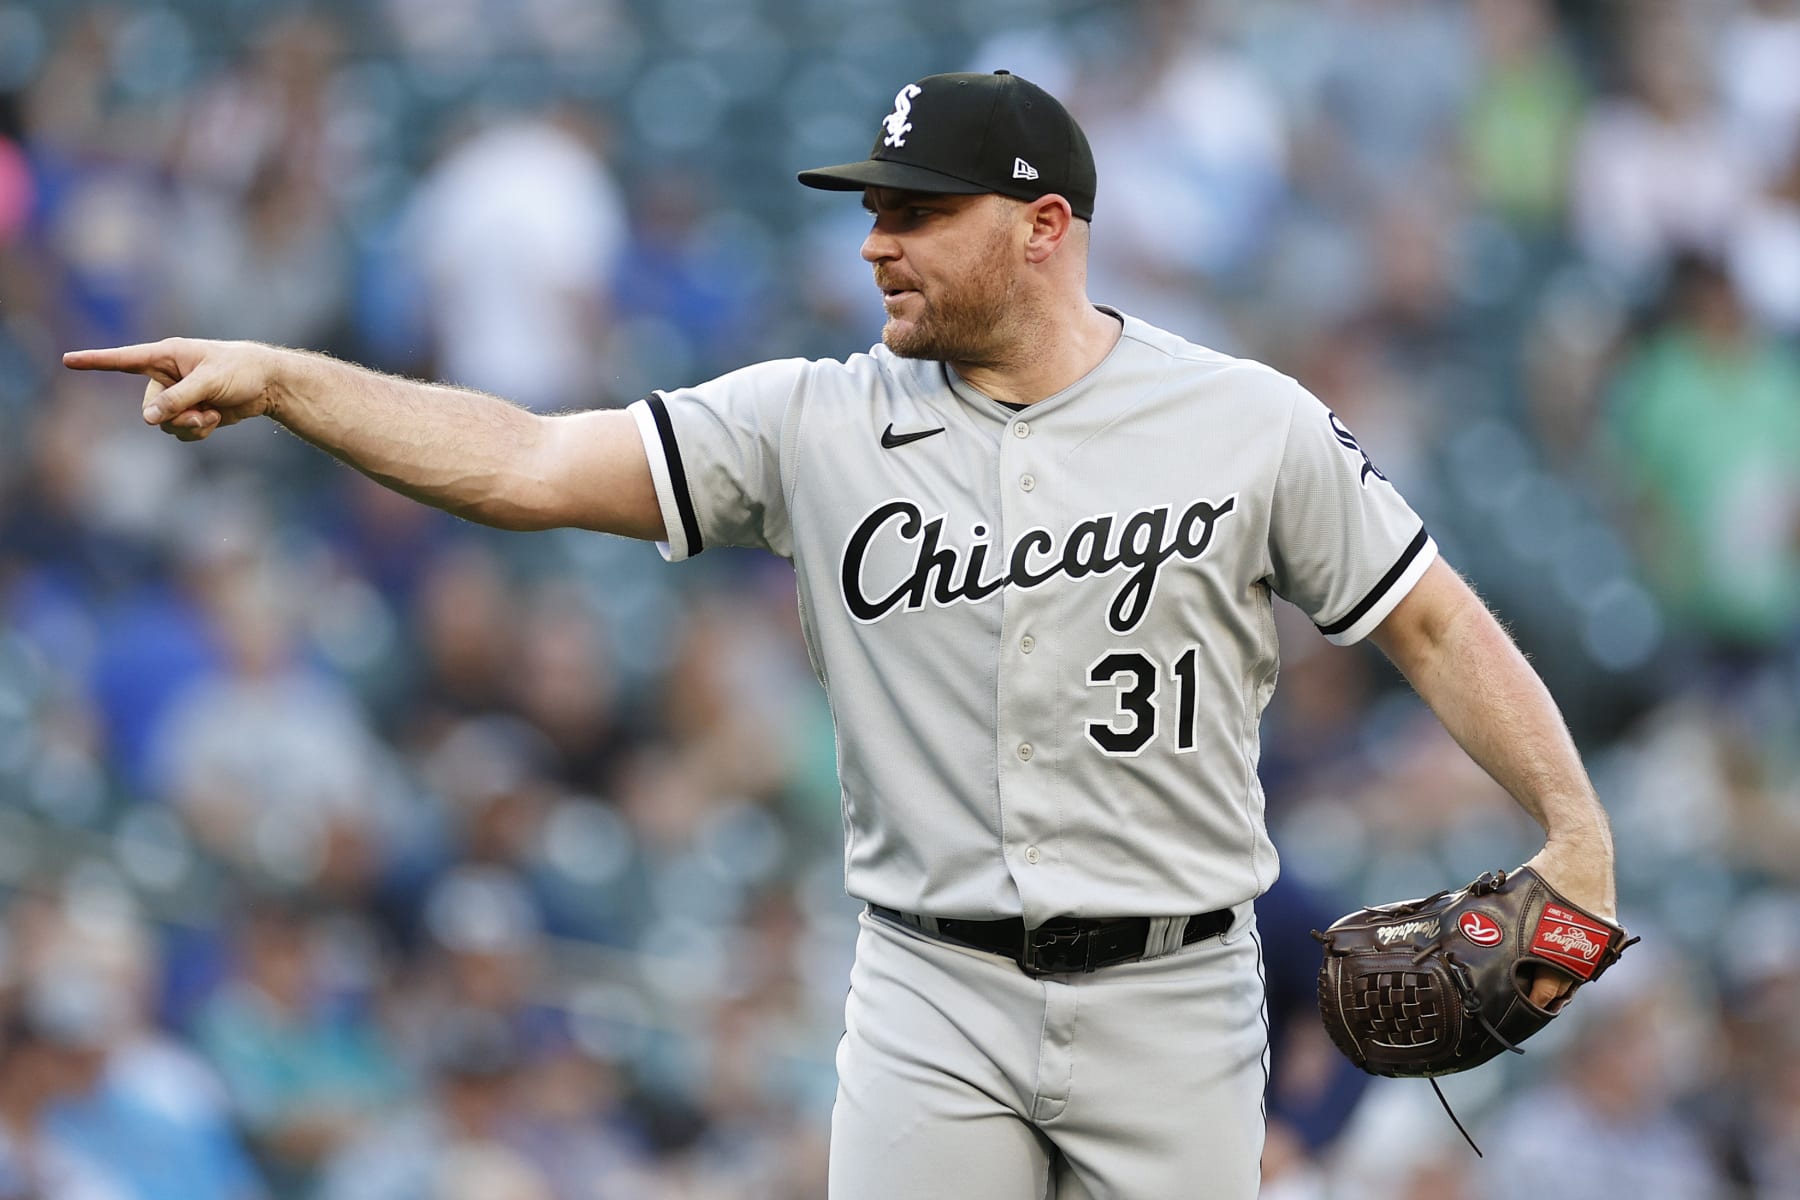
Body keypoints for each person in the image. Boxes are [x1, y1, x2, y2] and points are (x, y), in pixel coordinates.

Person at [66, 70, 1619, 1200]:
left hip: (1177, 990)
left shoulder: (1245, 420)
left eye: (918, 213)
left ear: (1044, 227)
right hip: (930, 991)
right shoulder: (809, 420)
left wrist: (1575, 830)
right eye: (873, 209)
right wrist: (292, 379)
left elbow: (1423, 617)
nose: (877, 241)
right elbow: (526, 461)